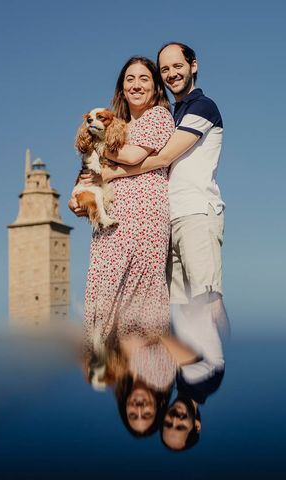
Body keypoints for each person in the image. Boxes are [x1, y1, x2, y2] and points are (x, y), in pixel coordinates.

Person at [98, 43, 227, 374]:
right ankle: (194, 378)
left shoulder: (202, 106)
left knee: (207, 298)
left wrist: (111, 168)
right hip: (171, 217)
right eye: (165, 69)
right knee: (184, 309)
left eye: (177, 66)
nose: (171, 73)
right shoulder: (176, 111)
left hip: (197, 212)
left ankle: (219, 369)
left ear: (193, 66)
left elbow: (162, 158)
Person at [68, 57, 176, 344]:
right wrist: (80, 199)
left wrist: (97, 149)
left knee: (141, 287)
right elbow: (89, 171)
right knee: (105, 288)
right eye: (130, 79)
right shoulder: (116, 124)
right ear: (122, 88)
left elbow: (131, 156)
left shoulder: (159, 117)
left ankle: (146, 371)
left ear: (155, 88)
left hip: (145, 215)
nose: (137, 85)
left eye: (144, 79)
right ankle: (109, 367)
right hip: (110, 221)